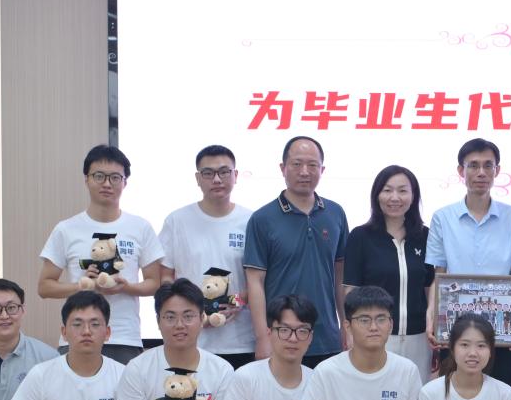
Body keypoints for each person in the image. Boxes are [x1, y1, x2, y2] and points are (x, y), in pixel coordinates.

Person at [37, 144, 163, 364]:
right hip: (76, 336)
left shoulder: (140, 227)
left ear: (125, 182)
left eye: (115, 177)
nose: (107, 183)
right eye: (99, 176)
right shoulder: (66, 229)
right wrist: (82, 286)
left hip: (124, 337)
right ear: (86, 179)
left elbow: (155, 283)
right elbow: (45, 287)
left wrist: (126, 287)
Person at [426, 138, 511, 387]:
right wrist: (431, 318)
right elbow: (438, 276)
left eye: (488, 165)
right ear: (461, 171)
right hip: (454, 331)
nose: (481, 172)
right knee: (453, 399)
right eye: (473, 165)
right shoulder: (443, 218)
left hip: (502, 335)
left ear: (497, 170)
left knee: (501, 398)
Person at [244, 136, 348, 368]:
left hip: (327, 337)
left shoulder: (336, 213)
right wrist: (262, 337)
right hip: (281, 338)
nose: (304, 172)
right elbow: (255, 281)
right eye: (297, 164)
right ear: (283, 168)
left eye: (312, 165)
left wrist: (346, 325)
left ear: (322, 169)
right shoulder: (262, 219)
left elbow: (340, 276)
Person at [158, 144, 254, 368]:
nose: (217, 179)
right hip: (191, 340)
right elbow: (165, 277)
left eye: (224, 172)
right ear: (198, 178)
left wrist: (237, 302)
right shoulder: (177, 221)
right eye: (208, 173)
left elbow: (259, 281)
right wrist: (186, 310)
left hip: (240, 341)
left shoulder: (251, 221)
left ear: (235, 175)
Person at [344, 166, 435, 383]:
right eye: (387, 190)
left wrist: (433, 326)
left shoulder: (425, 236)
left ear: (413, 196)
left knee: (415, 395)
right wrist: (350, 333)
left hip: (418, 338)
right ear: (377, 195)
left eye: (403, 191)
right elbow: (350, 290)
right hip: (374, 335)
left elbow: (431, 285)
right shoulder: (360, 236)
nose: (395, 197)